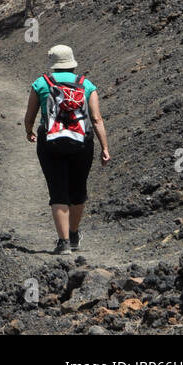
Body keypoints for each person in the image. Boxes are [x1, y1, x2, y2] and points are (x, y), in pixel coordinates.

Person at [23, 44, 110, 255]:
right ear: (72, 63)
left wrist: (29, 131)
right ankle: (73, 235)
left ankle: (62, 243)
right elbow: (96, 118)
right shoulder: (86, 84)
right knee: (78, 189)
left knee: (58, 190)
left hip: (50, 142)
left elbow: (30, 115)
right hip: (82, 142)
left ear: (53, 64)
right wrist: (104, 147)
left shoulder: (41, 83)